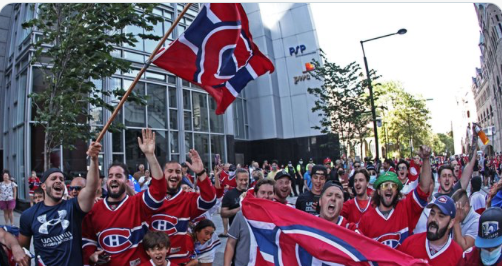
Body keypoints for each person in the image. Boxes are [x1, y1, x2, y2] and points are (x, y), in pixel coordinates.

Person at [82, 129, 167, 266]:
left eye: (118, 176)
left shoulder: (138, 203)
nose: (113, 179)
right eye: (110, 176)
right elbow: (87, 239)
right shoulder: (95, 209)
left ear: (128, 182)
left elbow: (159, 191)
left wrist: (150, 156)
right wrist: (92, 256)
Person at [19, 142, 102, 266]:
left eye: (61, 179)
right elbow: (23, 250)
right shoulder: (28, 215)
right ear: (43, 186)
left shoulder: (73, 207)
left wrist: (94, 159)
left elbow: (91, 188)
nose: (59, 181)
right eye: (53, 179)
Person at [148, 149, 216, 265]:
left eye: (178, 172)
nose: (174, 174)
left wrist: (201, 173)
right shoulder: (148, 198)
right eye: (170, 171)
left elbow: (209, 200)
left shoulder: (188, 198)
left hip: (178, 260)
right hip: (152, 260)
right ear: (162, 174)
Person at [358, 145, 433, 248]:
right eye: (385, 185)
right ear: (378, 191)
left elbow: (424, 188)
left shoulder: (406, 209)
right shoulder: (366, 220)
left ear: (397, 192)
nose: (389, 188)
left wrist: (425, 159)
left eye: (393, 186)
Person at [398, 195, 463, 266]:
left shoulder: (457, 254)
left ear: (451, 223)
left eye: (441, 216)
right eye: (432, 213)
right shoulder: (409, 243)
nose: (433, 219)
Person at [224, 179, 275, 266]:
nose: (266, 196)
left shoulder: (277, 218)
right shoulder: (242, 215)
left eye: (270, 193)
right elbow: (230, 243)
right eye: (263, 192)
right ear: (255, 194)